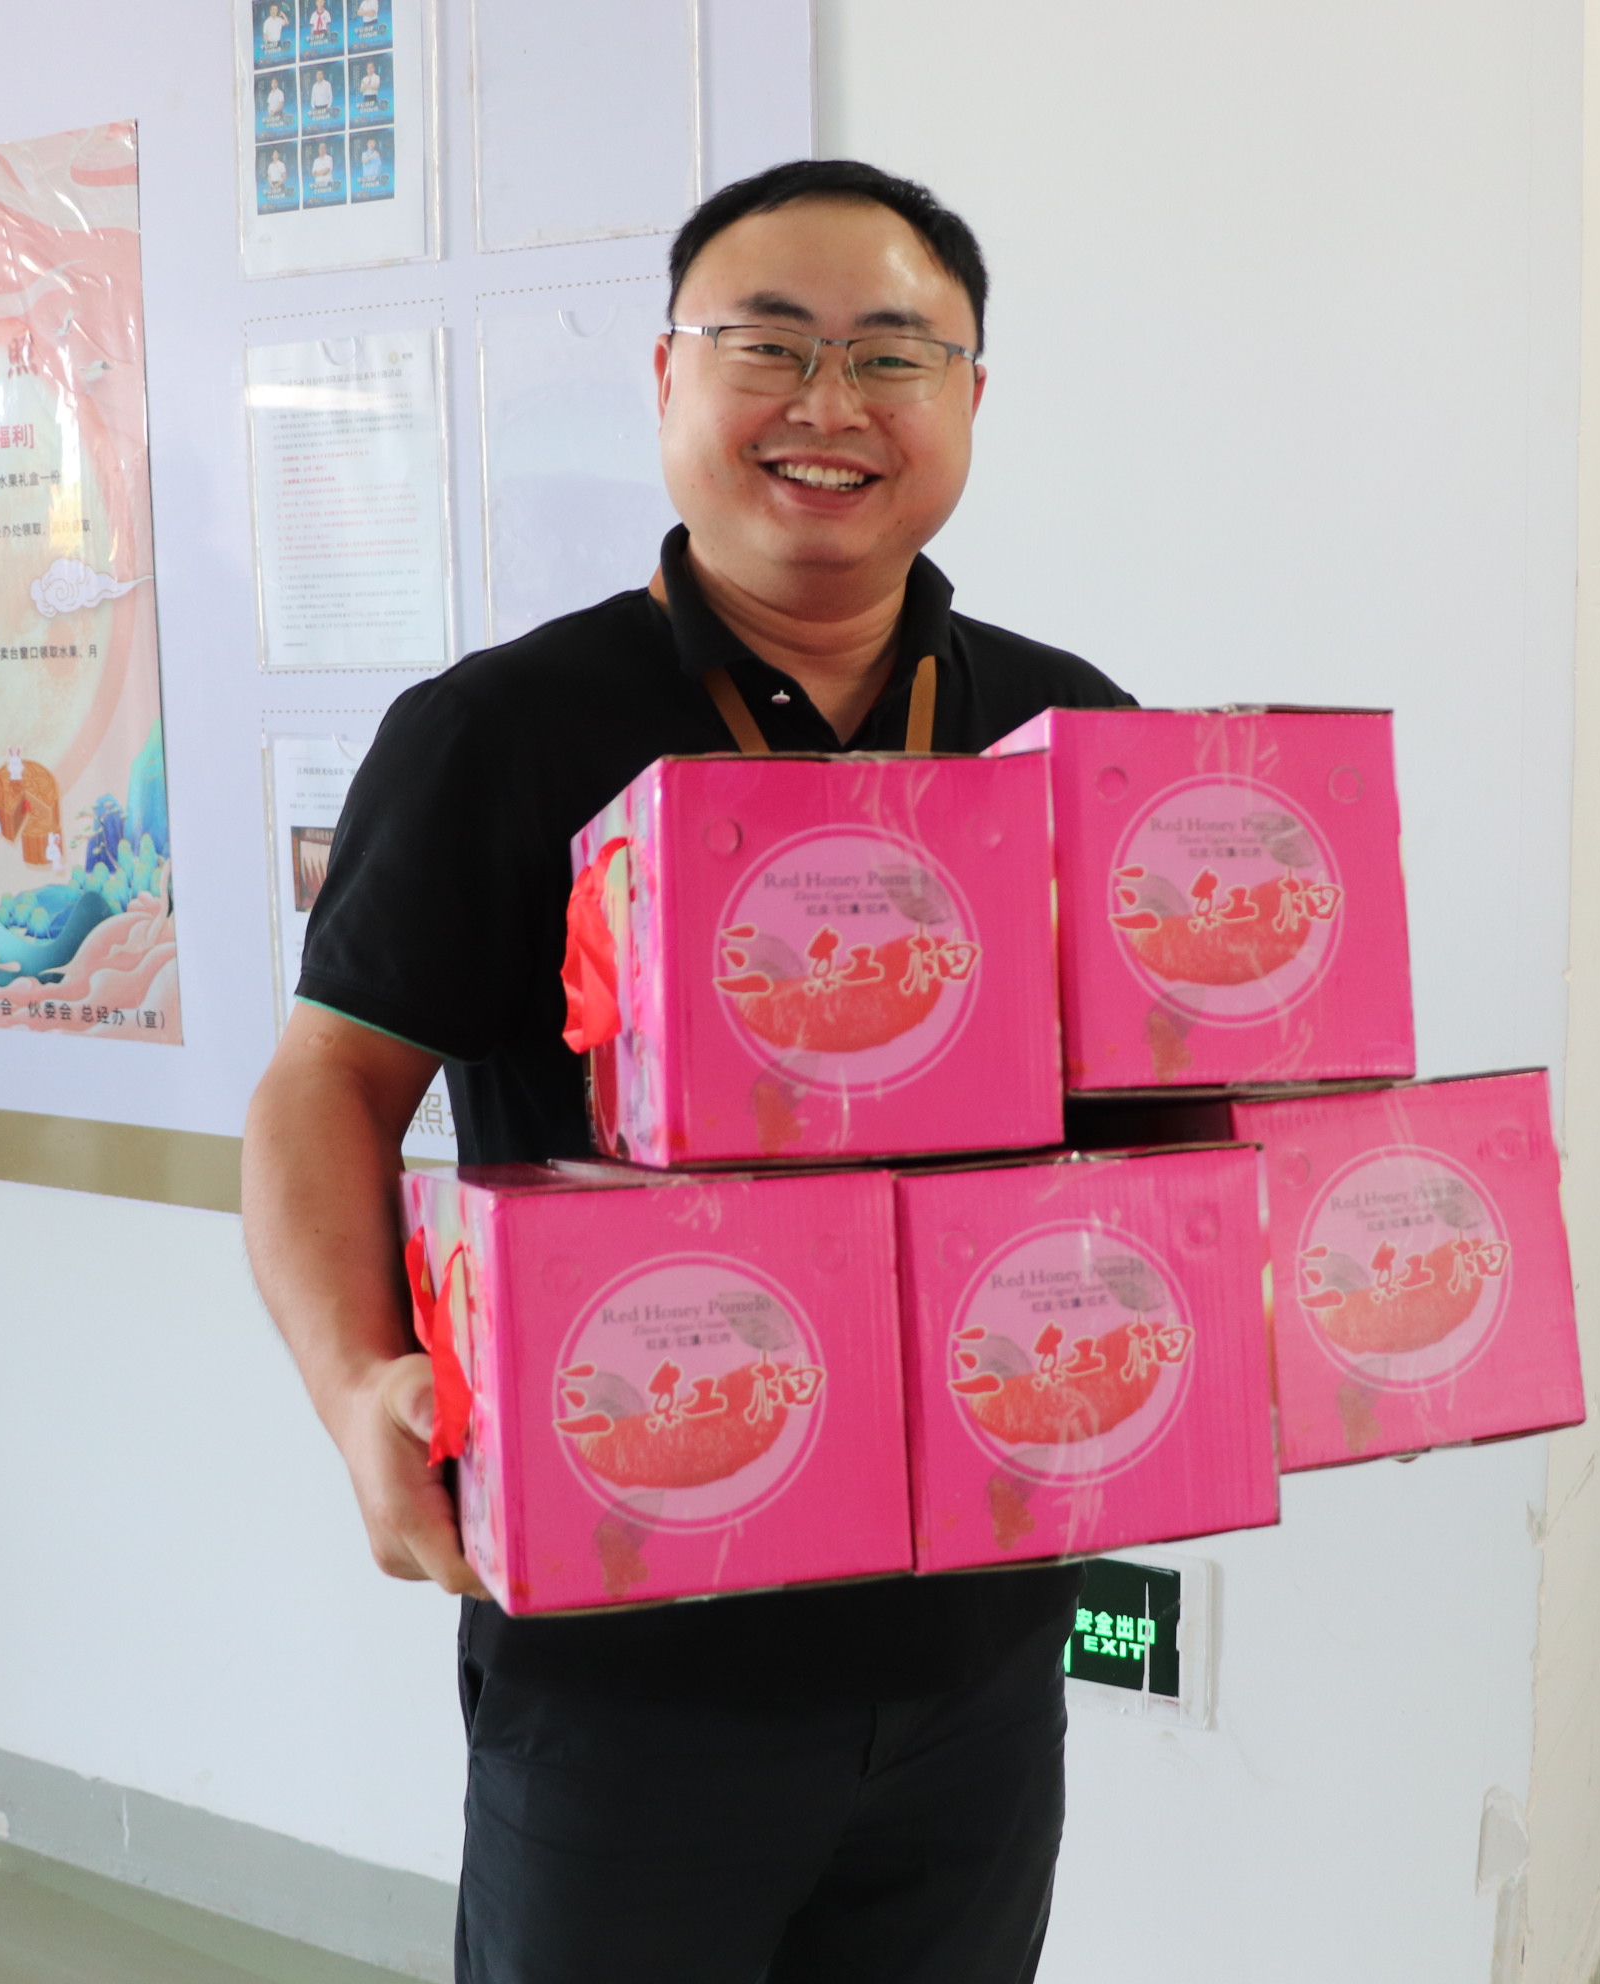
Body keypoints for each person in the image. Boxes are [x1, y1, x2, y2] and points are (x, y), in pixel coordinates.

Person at [243, 159, 1131, 1984]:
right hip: (628, 1660)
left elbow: (1154, 1123)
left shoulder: (1073, 734)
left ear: (972, 396)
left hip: (979, 1649)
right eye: (769, 347)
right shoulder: (500, 731)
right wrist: (355, 1387)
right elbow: (327, 1086)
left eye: (893, 353)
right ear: (668, 379)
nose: (829, 404)